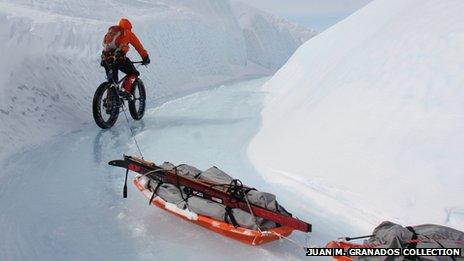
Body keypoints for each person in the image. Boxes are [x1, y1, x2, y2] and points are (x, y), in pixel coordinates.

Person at [101, 18, 150, 95]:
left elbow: (104, 44)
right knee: (133, 73)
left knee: (113, 82)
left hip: (106, 59)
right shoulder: (128, 33)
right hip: (119, 59)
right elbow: (138, 46)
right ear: (129, 27)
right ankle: (125, 90)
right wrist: (145, 57)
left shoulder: (110, 33)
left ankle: (111, 101)